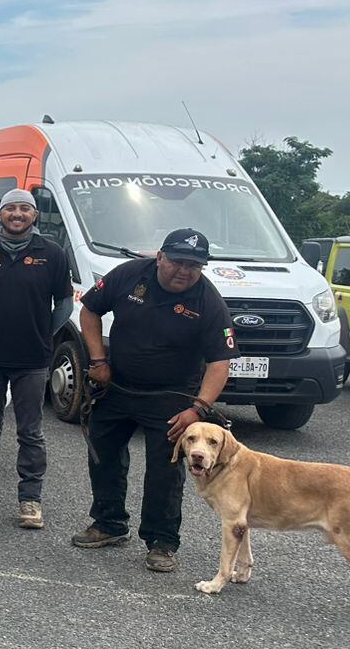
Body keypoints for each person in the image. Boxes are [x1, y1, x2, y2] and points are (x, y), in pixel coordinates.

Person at [73, 228, 236, 573]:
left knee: (164, 470)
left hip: (172, 397)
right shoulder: (129, 275)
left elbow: (220, 363)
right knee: (102, 455)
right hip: (117, 385)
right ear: (160, 257)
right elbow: (89, 310)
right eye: (177, 261)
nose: (184, 271)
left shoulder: (209, 302)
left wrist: (198, 410)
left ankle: (162, 541)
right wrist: (97, 360)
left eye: (194, 265)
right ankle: (109, 523)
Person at [0, 189, 73, 529]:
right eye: (10, 208)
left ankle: (30, 500)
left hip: (33, 359)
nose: (16, 214)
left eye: (24, 208)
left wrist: (40, 332)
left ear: (34, 215)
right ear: (0, 214)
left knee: (30, 431)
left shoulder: (52, 254)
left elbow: (64, 305)